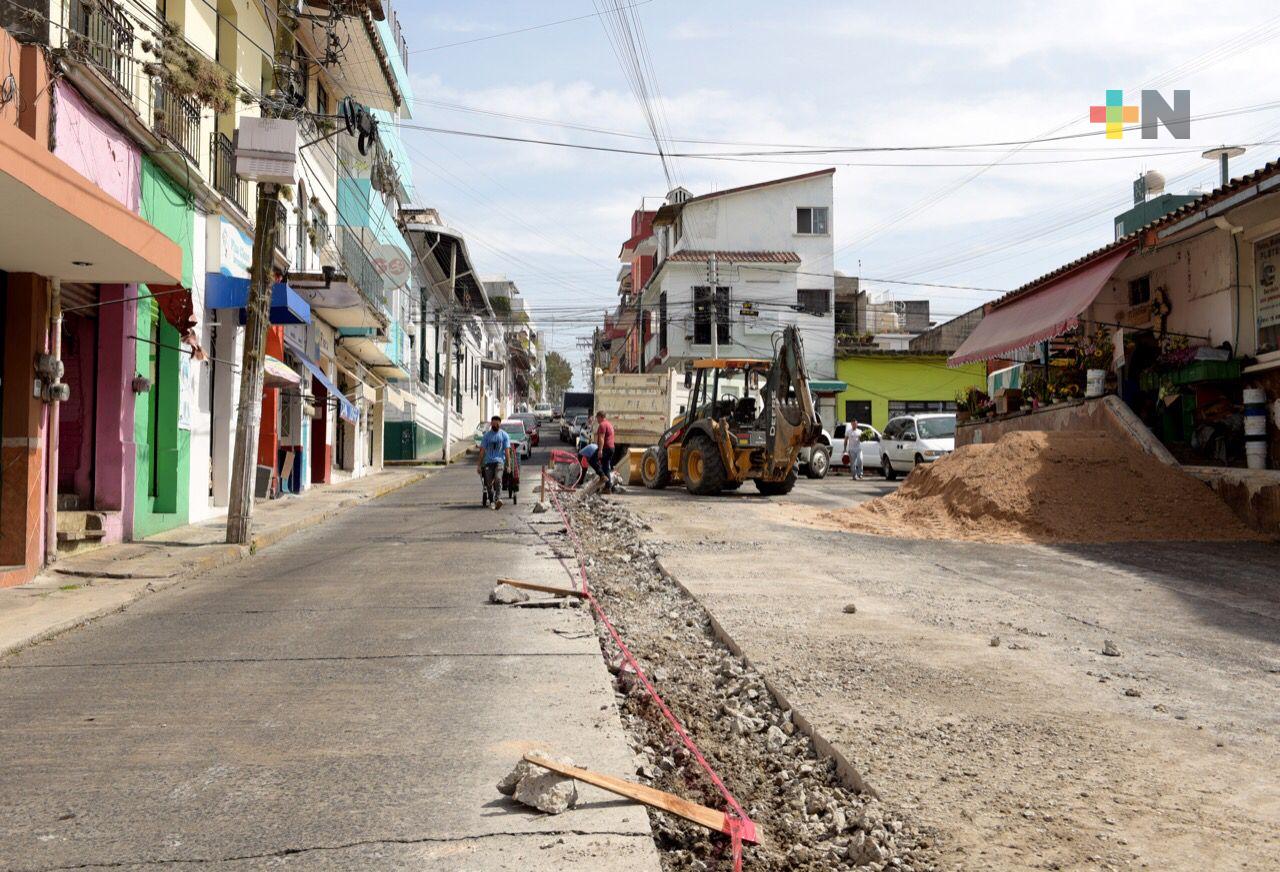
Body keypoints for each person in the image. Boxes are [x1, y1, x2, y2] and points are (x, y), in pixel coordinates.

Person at [477, 415, 511, 509]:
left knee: (498, 479)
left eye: (497, 423)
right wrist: (479, 465)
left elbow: (507, 451)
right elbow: (482, 451)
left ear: (500, 424)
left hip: (500, 462)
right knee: (488, 483)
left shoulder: (504, 435)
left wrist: (508, 465)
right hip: (488, 462)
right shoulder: (486, 436)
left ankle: (498, 499)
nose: (495, 425)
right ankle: (491, 500)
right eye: (493, 423)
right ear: (491, 424)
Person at [594, 410, 616, 491]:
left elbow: (602, 438)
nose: (597, 419)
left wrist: (600, 450)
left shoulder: (602, 425)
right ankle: (608, 488)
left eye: (597, 417)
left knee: (592, 459)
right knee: (606, 466)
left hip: (606, 448)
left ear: (600, 417)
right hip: (611, 448)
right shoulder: (609, 424)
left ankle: (602, 476)